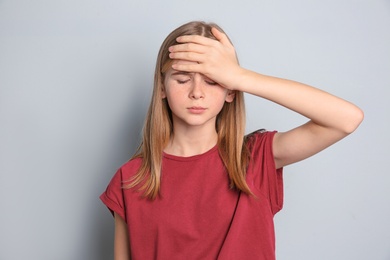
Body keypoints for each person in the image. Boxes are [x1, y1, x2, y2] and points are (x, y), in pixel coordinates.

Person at [100, 21, 363, 260]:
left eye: (213, 81)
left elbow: (346, 119)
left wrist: (240, 76)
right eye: (182, 80)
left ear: (230, 92)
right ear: (161, 88)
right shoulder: (131, 178)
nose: (197, 93)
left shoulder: (256, 158)